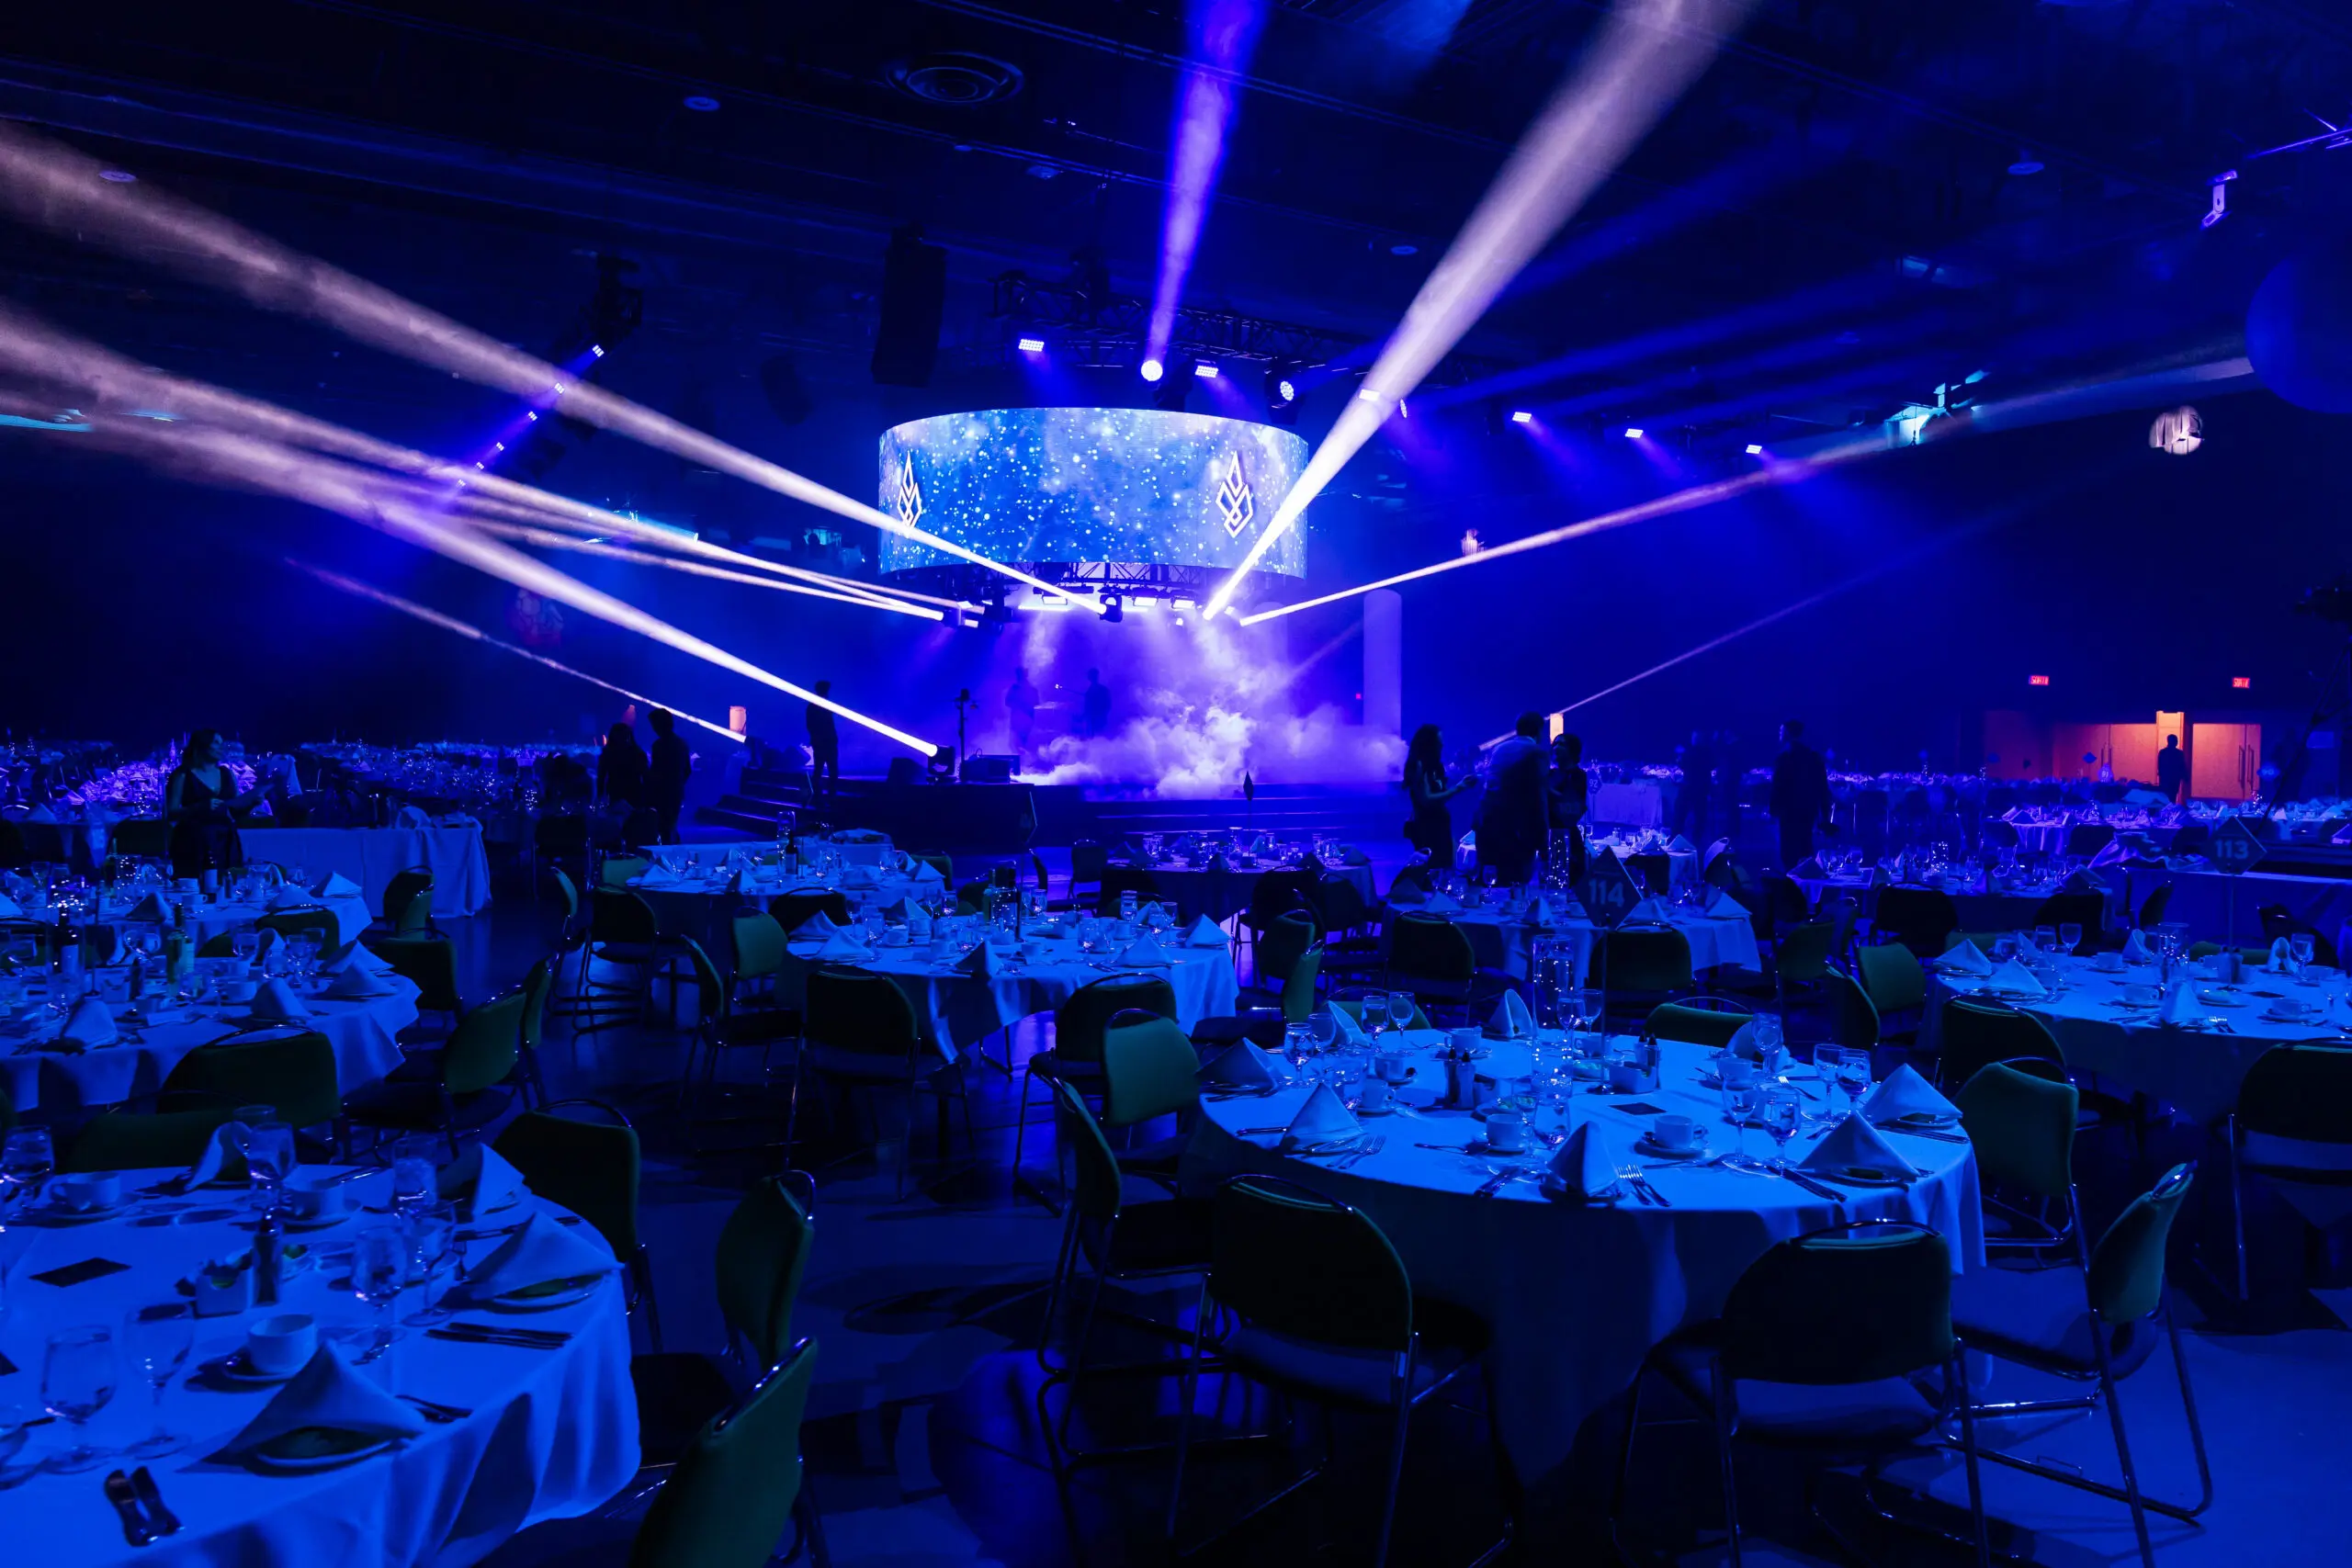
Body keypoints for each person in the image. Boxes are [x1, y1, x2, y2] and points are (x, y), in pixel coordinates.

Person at [164, 729, 278, 880]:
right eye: (216, 743)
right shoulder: (182, 774)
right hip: (193, 841)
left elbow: (235, 812)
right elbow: (170, 813)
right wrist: (200, 807)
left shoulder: (226, 773)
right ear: (202, 745)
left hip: (225, 841)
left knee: (228, 886)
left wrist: (251, 804)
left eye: (222, 744)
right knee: (194, 887)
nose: (221, 747)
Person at [1476, 712, 1551, 885]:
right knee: (1515, 886)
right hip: (1516, 831)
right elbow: (1538, 797)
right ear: (1540, 731)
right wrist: (1543, 839)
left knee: (1489, 885)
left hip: (1488, 823)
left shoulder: (1500, 749)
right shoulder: (1537, 753)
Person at [1402, 724, 1475, 868]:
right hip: (1427, 827)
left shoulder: (1435, 767)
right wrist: (1458, 788)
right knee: (1432, 871)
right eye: (1438, 741)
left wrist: (1461, 786)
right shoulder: (1418, 765)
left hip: (1441, 824)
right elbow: (1426, 799)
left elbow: (1441, 797)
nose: (1442, 745)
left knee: (1446, 868)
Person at [1770, 719, 1832, 871]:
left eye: (1781, 731)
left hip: (1788, 812)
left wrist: (1773, 808)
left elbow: (1778, 787)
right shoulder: (1814, 757)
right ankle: (1805, 886)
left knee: (1788, 852)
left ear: (1787, 733)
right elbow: (1822, 787)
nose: (1779, 734)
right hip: (1808, 810)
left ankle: (1791, 885)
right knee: (1805, 847)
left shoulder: (1784, 757)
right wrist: (1824, 813)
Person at [1550, 730, 1590, 883]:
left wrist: (1545, 788)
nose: (1556, 748)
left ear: (1572, 750)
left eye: (1562, 744)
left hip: (1567, 836)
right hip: (1549, 834)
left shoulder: (1578, 775)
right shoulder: (1550, 774)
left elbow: (1569, 802)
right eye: (1555, 744)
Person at [647, 708, 693, 844]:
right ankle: (675, 853)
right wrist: (678, 784)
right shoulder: (681, 743)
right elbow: (688, 770)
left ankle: (669, 856)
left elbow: (655, 771)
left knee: (664, 827)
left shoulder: (658, 745)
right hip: (675, 791)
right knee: (670, 825)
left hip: (662, 793)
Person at [597, 721, 647, 812]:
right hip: (626, 792)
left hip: (624, 792)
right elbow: (645, 775)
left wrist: (599, 795)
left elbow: (601, 775)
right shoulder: (638, 753)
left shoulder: (608, 753)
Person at [807, 682, 840, 795]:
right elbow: (815, 725)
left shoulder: (814, 706)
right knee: (829, 769)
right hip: (825, 742)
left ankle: (820, 794)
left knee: (821, 769)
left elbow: (811, 726)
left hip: (824, 742)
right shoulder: (817, 706)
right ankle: (826, 794)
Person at [1007, 667, 1039, 756]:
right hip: (1027, 718)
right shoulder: (1032, 689)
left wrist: (1018, 705)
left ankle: (1022, 762)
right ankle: (1024, 761)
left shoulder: (1014, 689)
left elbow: (1007, 702)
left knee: (1015, 743)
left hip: (1018, 718)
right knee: (1023, 742)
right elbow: (1036, 702)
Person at [1080, 668, 1112, 739]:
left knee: (1100, 734)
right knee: (1094, 735)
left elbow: (1107, 703)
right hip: (1092, 717)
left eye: (1091, 675)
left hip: (1099, 716)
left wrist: (1102, 713)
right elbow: (1087, 705)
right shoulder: (1090, 690)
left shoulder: (1103, 690)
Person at [2157, 733, 2188, 803]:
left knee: (2164, 796)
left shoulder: (2163, 752)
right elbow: (2182, 766)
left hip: (2165, 779)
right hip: (2175, 779)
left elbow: (2159, 766)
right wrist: (2185, 777)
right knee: (2173, 796)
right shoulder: (2179, 753)